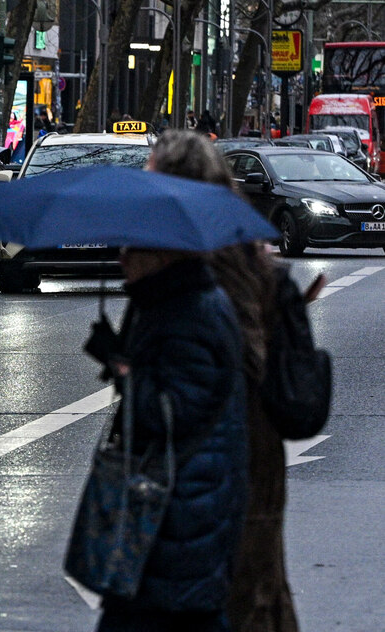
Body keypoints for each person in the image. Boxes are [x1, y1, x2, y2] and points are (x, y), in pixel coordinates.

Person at [85, 136, 248, 631]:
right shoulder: (168, 304)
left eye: (132, 247)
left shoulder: (191, 313)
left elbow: (170, 413)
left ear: (162, 253)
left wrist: (124, 370)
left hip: (176, 532)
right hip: (171, 531)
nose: (121, 257)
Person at [147, 129, 300, 632]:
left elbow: (184, 390)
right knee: (258, 585)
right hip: (255, 459)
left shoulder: (191, 280)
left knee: (228, 591)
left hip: (213, 462)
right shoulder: (254, 267)